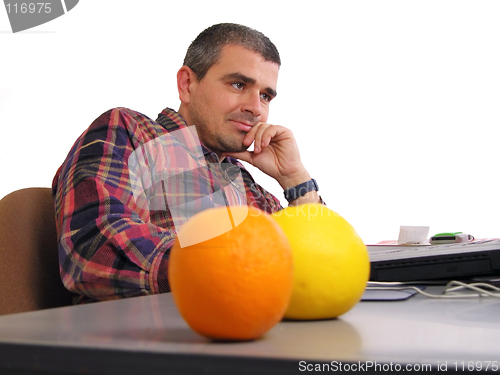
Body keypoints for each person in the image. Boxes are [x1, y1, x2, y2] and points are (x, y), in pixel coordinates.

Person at [52, 23, 323, 304]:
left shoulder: (244, 181)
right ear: (187, 85)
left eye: (265, 96)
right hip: (147, 339)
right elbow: (92, 247)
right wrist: (231, 269)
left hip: (246, 337)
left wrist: (296, 180)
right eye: (238, 85)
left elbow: (318, 261)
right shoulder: (130, 132)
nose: (256, 108)